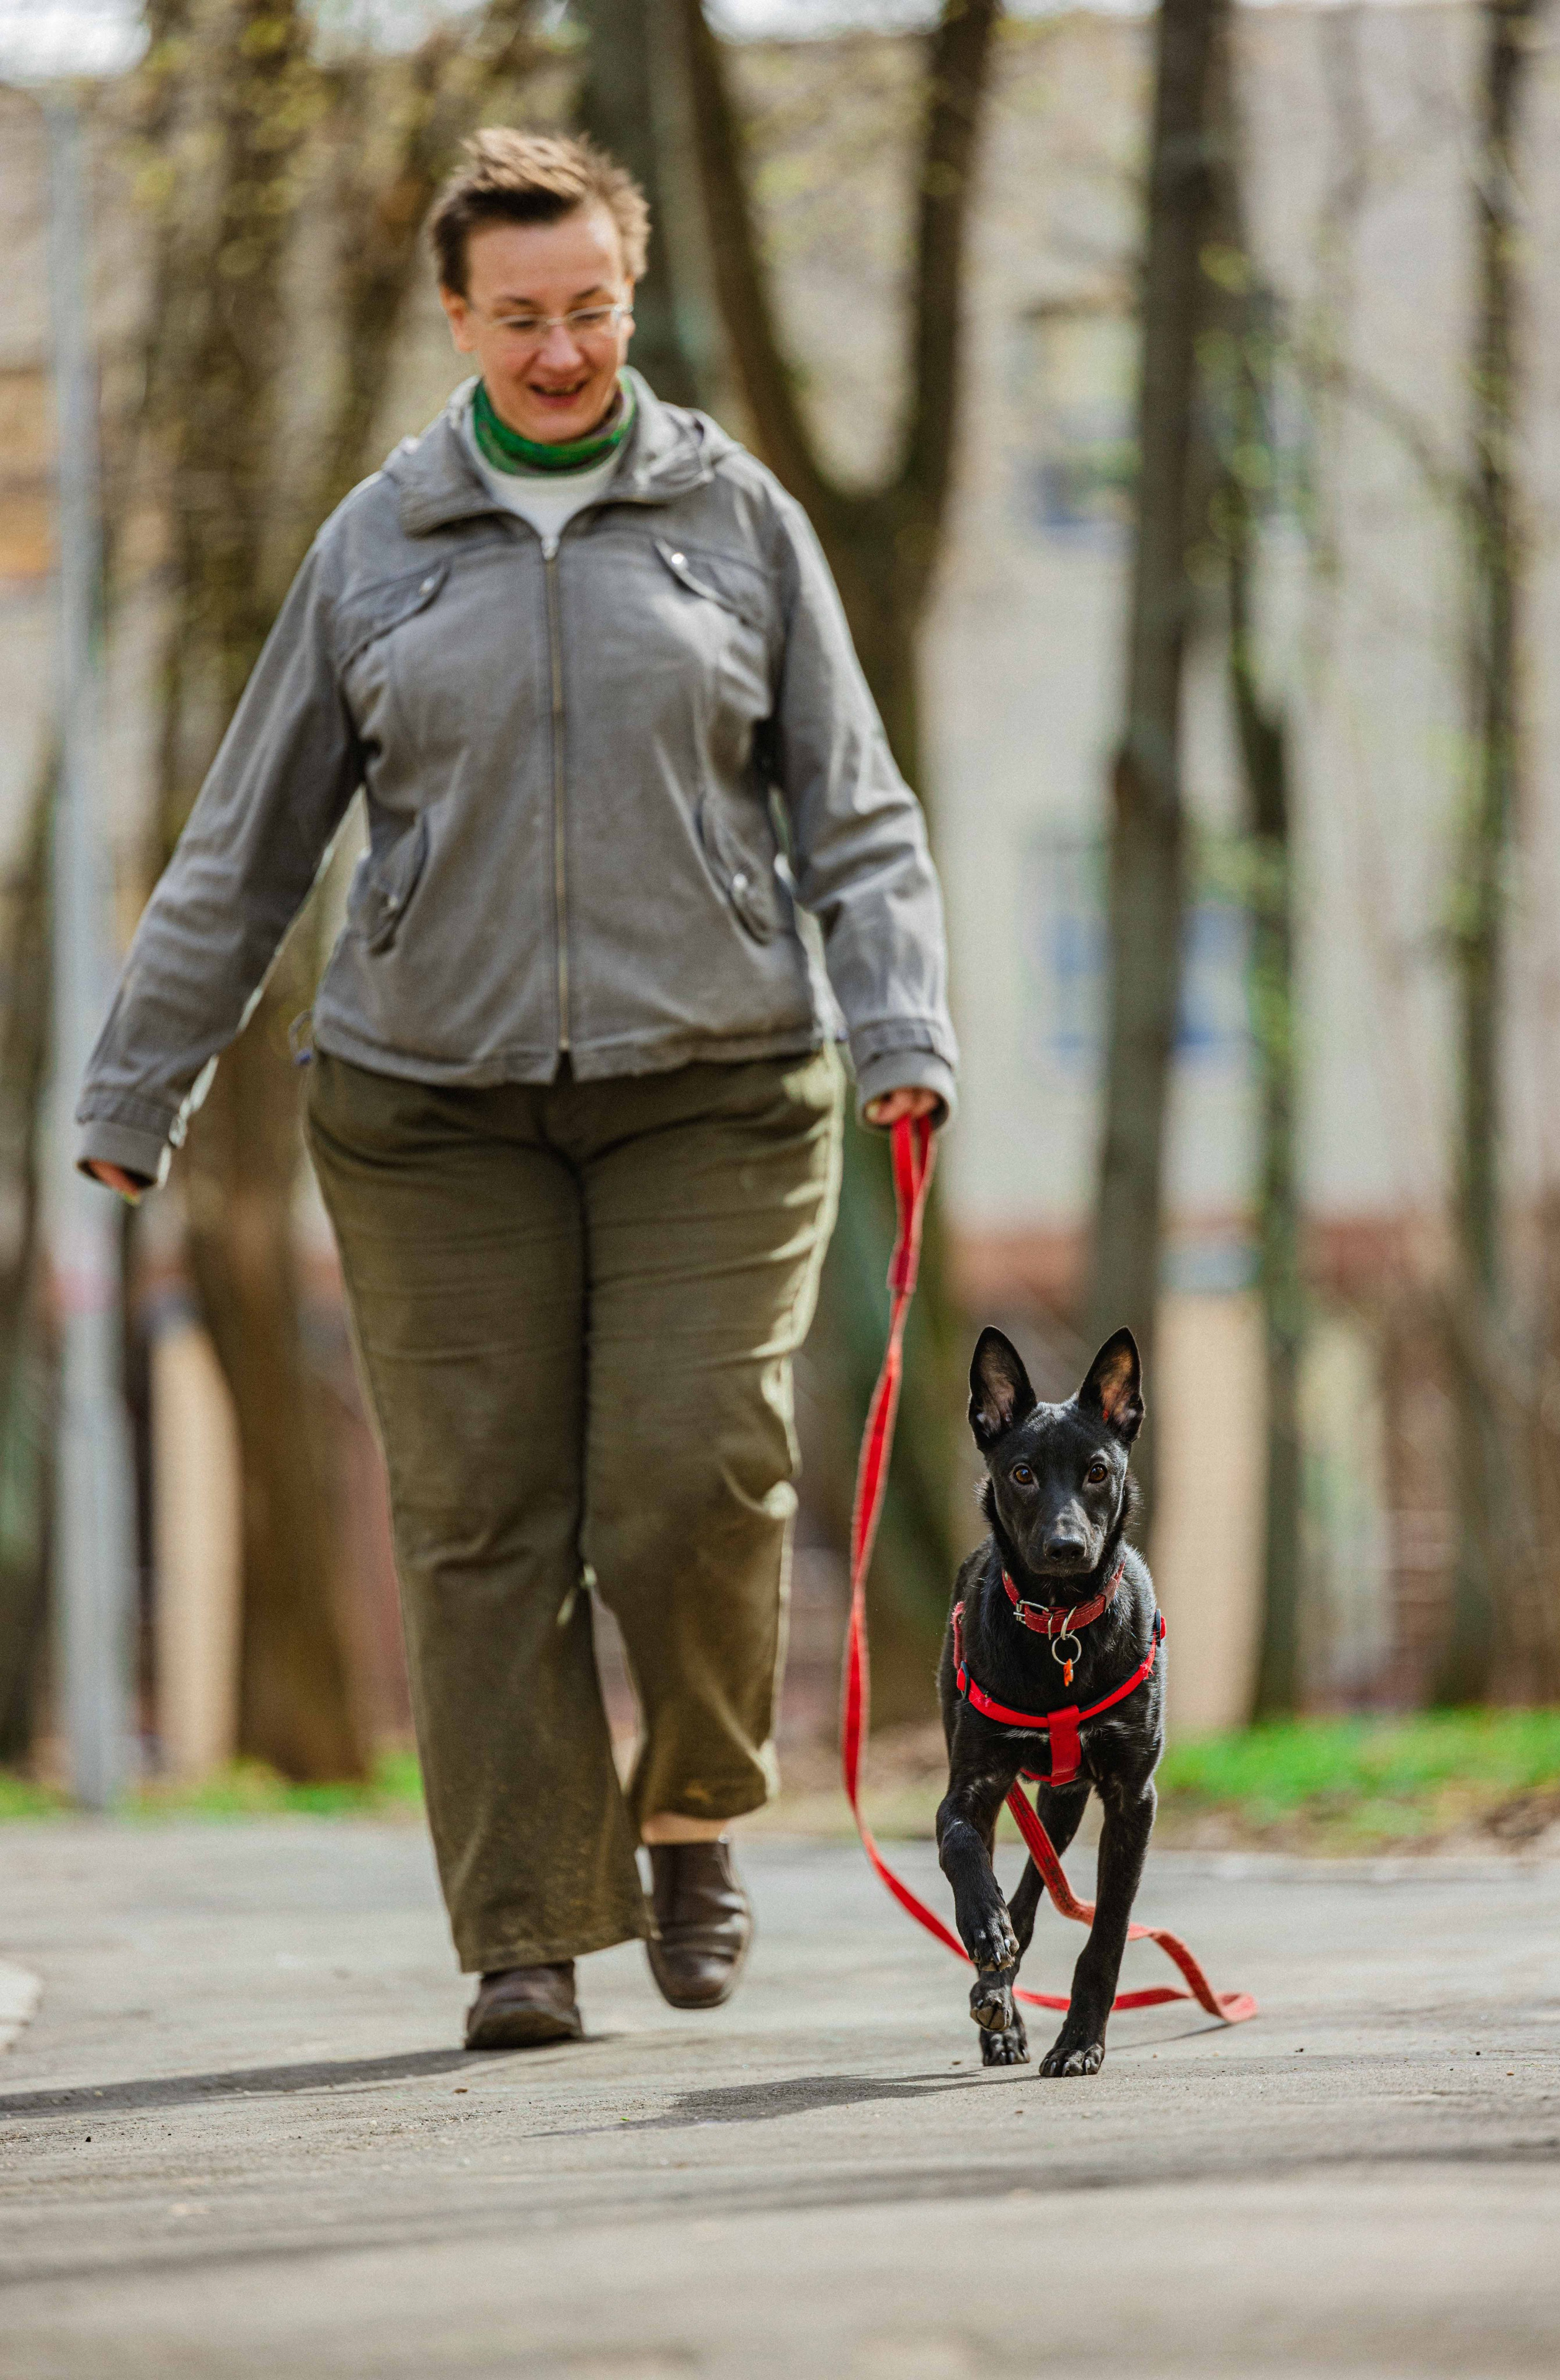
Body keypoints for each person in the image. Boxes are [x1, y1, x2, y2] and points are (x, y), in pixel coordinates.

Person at [79, 130, 956, 2049]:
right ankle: (526, 1933)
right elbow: (248, 845)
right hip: (430, 1103)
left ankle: (698, 1808)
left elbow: (859, 818)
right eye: (521, 317)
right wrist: (138, 1092)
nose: (560, 351)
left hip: (717, 1083)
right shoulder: (375, 545)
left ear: (630, 301)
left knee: (692, 1470)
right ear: (459, 318)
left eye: (592, 310)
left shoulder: (737, 521)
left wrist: (899, 1027)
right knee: (480, 1519)